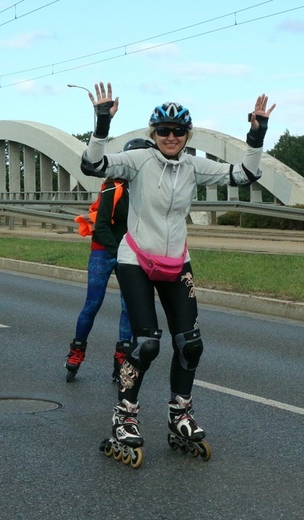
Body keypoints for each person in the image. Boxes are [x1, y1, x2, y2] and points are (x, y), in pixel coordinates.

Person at [82, 82, 275, 467]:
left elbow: (245, 175)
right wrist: (101, 123)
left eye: (179, 131)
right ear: (153, 135)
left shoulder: (193, 165)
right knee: (147, 343)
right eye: (163, 131)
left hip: (176, 261)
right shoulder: (139, 162)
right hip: (136, 260)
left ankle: (179, 413)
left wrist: (257, 134)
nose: (171, 137)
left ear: (188, 136)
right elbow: (93, 165)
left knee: (190, 343)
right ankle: (125, 416)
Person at [65, 138, 153, 383]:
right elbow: (102, 226)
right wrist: (121, 253)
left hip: (129, 253)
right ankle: (77, 349)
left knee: (128, 307)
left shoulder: (148, 192)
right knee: (93, 303)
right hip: (104, 249)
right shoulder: (112, 187)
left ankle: (122, 354)